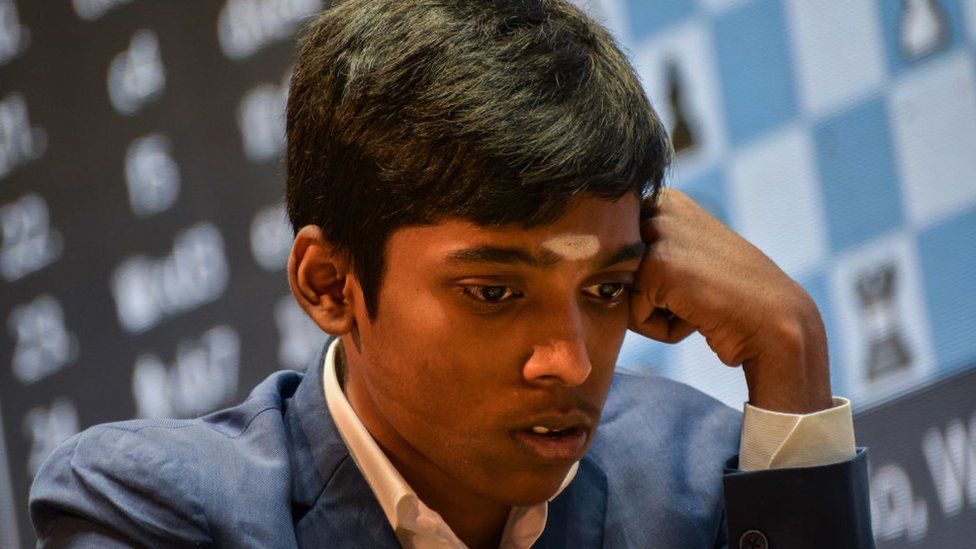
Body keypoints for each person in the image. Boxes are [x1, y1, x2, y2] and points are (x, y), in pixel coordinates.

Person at [29, 0, 873, 547]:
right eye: (495, 292)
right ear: (330, 284)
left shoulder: (706, 479)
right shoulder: (154, 511)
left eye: (607, 289)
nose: (572, 363)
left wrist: (790, 353)